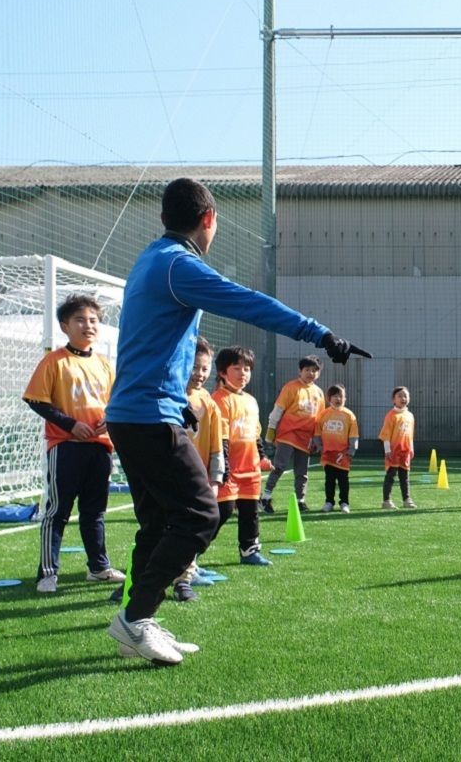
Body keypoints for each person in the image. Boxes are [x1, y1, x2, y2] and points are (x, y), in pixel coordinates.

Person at [104, 177, 370, 665]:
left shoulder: (148, 260)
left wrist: (178, 396)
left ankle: (136, 622)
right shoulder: (177, 265)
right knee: (202, 514)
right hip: (147, 415)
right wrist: (320, 334)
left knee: (157, 523)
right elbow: (248, 302)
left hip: (134, 412)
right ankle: (134, 619)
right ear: (208, 219)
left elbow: (152, 343)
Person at [23, 294, 126, 594]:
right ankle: (47, 572)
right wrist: (71, 424)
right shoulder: (54, 361)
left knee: (94, 512)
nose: (88, 325)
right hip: (65, 446)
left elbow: (115, 401)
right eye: (80, 320)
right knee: (57, 511)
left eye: (93, 320)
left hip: (100, 447)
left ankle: (98, 568)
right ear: (65, 326)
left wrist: (111, 419)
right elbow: (36, 400)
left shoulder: (105, 365)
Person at [171, 336, 226, 602]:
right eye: (194, 367)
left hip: (195, 478)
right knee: (157, 527)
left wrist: (215, 480)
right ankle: (143, 578)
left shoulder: (209, 403)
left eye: (205, 368)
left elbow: (217, 446)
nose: (199, 373)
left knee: (191, 527)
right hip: (166, 474)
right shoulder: (167, 395)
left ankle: (184, 579)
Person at [211, 345, 271, 566]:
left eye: (247, 368)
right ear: (222, 372)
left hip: (250, 469)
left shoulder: (251, 401)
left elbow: (255, 434)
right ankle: (191, 555)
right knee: (221, 512)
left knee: (250, 512)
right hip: (229, 470)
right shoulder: (219, 399)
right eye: (237, 368)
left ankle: (249, 550)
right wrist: (224, 470)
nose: (243, 373)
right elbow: (221, 439)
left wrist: (262, 457)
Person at [261, 355, 324, 514]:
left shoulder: (319, 393)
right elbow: (278, 410)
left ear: (319, 373)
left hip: (306, 438)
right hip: (288, 434)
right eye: (307, 369)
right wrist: (270, 432)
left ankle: (300, 500)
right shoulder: (291, 387)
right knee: (279, 466)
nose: (311, 373)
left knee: (302, 472)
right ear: (300, 371)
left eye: (314, 370)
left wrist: (317, 439)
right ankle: (265, 498)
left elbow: (319, 419)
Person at [314, 383, 358, 513]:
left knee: (343, 480)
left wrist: (351, 451)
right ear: (329, 398)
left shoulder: (349, 415)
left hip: (343, 455)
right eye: (335, 396)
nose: (338, 399)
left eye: (341, 396)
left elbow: (354, 435)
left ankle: (344, 503)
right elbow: (317, 433)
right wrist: (320, 447)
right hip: (328, 454)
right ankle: (329, 502)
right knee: (329, 480)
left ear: (345, 399)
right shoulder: (323, 414)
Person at [379, 386, 417, 509]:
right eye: (399, 396)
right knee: (390, 475)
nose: (403, 398)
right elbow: (386, 435)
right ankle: (386, 500)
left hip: (405, 452)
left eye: (405, 396)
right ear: (393, 400)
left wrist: (411, 448)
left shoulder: (410, 416)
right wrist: (387, 450)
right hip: (393, 451)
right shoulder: (391, 416)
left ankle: (407, 499)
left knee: (405, 477)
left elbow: (410, 434)